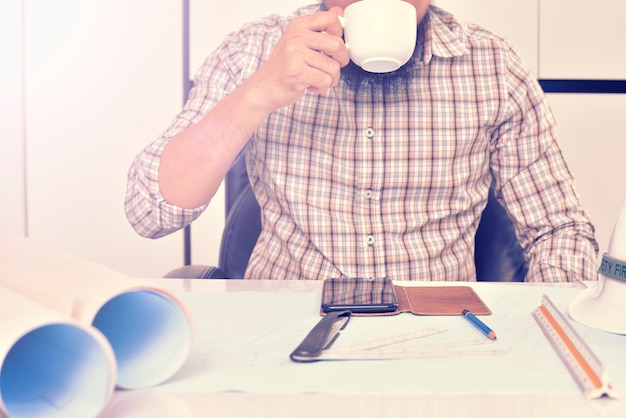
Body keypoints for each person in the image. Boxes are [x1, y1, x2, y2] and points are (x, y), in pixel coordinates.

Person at [125, 0, 599, 282]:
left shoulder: (492, 66)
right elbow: (150, 211)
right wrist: (258, 92)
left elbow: (561, 231)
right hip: (282, 330)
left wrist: (543, 340)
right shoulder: (253, 51)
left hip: (441, 340)